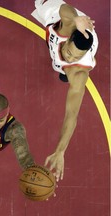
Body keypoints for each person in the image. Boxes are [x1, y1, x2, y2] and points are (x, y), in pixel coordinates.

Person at [31, 0, 98, 181]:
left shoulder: (78, 72)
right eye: (69, 53)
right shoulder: (67, 27)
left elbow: (71, 115)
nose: (70, 57)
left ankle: (60, 70)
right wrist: (77, 19)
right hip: (59, 19)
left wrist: (60, 151)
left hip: (70, 63)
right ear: (68, 39)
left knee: (64, 71)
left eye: (76, 56)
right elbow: (65, 10)